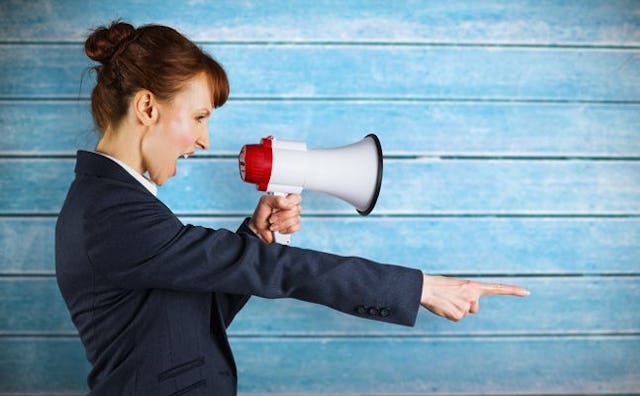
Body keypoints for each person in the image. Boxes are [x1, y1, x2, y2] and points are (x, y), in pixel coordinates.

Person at [55, 21, 529, 396]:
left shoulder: (115, 201)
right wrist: (419, 287)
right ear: (147, 107)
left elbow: (182, 319)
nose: (204, 139)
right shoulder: (111, 214)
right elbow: (279, 272)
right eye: (199, 117)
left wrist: (259, 237)